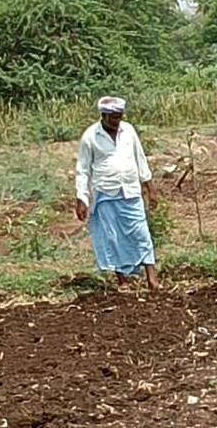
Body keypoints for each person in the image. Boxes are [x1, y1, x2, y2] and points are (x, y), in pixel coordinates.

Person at [74, 96, 160, 291]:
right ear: (103, 116)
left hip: (130, 190)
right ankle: (122, 280)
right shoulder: (91, 136)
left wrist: (150, 188)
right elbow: (83, 170)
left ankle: (152, 279)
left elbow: (140, 159)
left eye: (119, 117)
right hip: (105, 192)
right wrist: (82, 199)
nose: (116, 121)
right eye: (113, 118)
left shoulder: (128, 131)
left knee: (141, 233)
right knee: (112, 237)